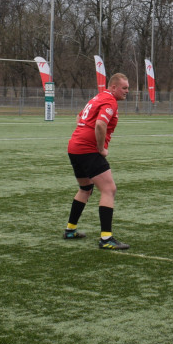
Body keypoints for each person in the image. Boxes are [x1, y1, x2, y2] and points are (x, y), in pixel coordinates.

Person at [63, 73, 131, 249]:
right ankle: (106, 239)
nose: (127, 91)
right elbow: (101, 124)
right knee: (109, 189)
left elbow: (79, 118)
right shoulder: (110, 101)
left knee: (85, 188)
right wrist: (101, 148)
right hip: (88, 150)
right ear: (113, 87)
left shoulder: (98, 97)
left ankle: (70, 229)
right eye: (124, 88)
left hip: (74, 146)